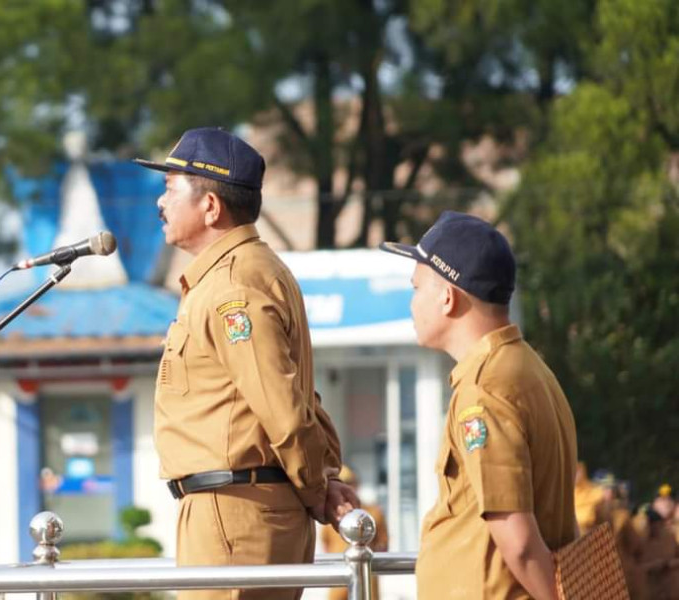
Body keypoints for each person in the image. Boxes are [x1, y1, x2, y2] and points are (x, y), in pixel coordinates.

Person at [136, 127, 358, 600]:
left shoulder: (231, 287)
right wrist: (322, 479)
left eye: (171, 189)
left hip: (234, 513)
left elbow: (282, 409)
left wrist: (319, 488)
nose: (160, 203)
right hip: (241, 509)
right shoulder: (252, 271)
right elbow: (296, 399)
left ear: (211, 206)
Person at [380, 211, 578, 599]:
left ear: (447, 298)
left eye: (417, 288)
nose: (412, 304)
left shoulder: (484, 388)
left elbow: (518, 539)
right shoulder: (530, 368)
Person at [319, 465, 388, 600]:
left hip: (366, 573)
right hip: (339, 573)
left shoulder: (373, 512)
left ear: (357, 485)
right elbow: (325, 543)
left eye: (349, 483)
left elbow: (384, 544)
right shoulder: (331, 516)